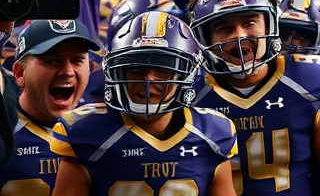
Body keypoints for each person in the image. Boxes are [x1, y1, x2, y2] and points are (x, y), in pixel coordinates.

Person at [188, 0, 320, 195]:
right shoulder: (190, 92)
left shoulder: (309, 80)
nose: (240, 36)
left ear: (271, 25)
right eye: (224, 28)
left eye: (249, 22)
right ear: (204, 38)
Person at [50, 12, 237, 196]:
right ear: (117, 73)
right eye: (136, 69)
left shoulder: (213, 133)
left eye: (163, 69)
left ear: (185, 75)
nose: (148, 79)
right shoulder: (85, 131)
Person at [0, 19, 98, 192]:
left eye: (77, 60)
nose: (68, 71)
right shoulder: (5, 129)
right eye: (52, 61)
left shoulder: (105, 128)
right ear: (20, 73)